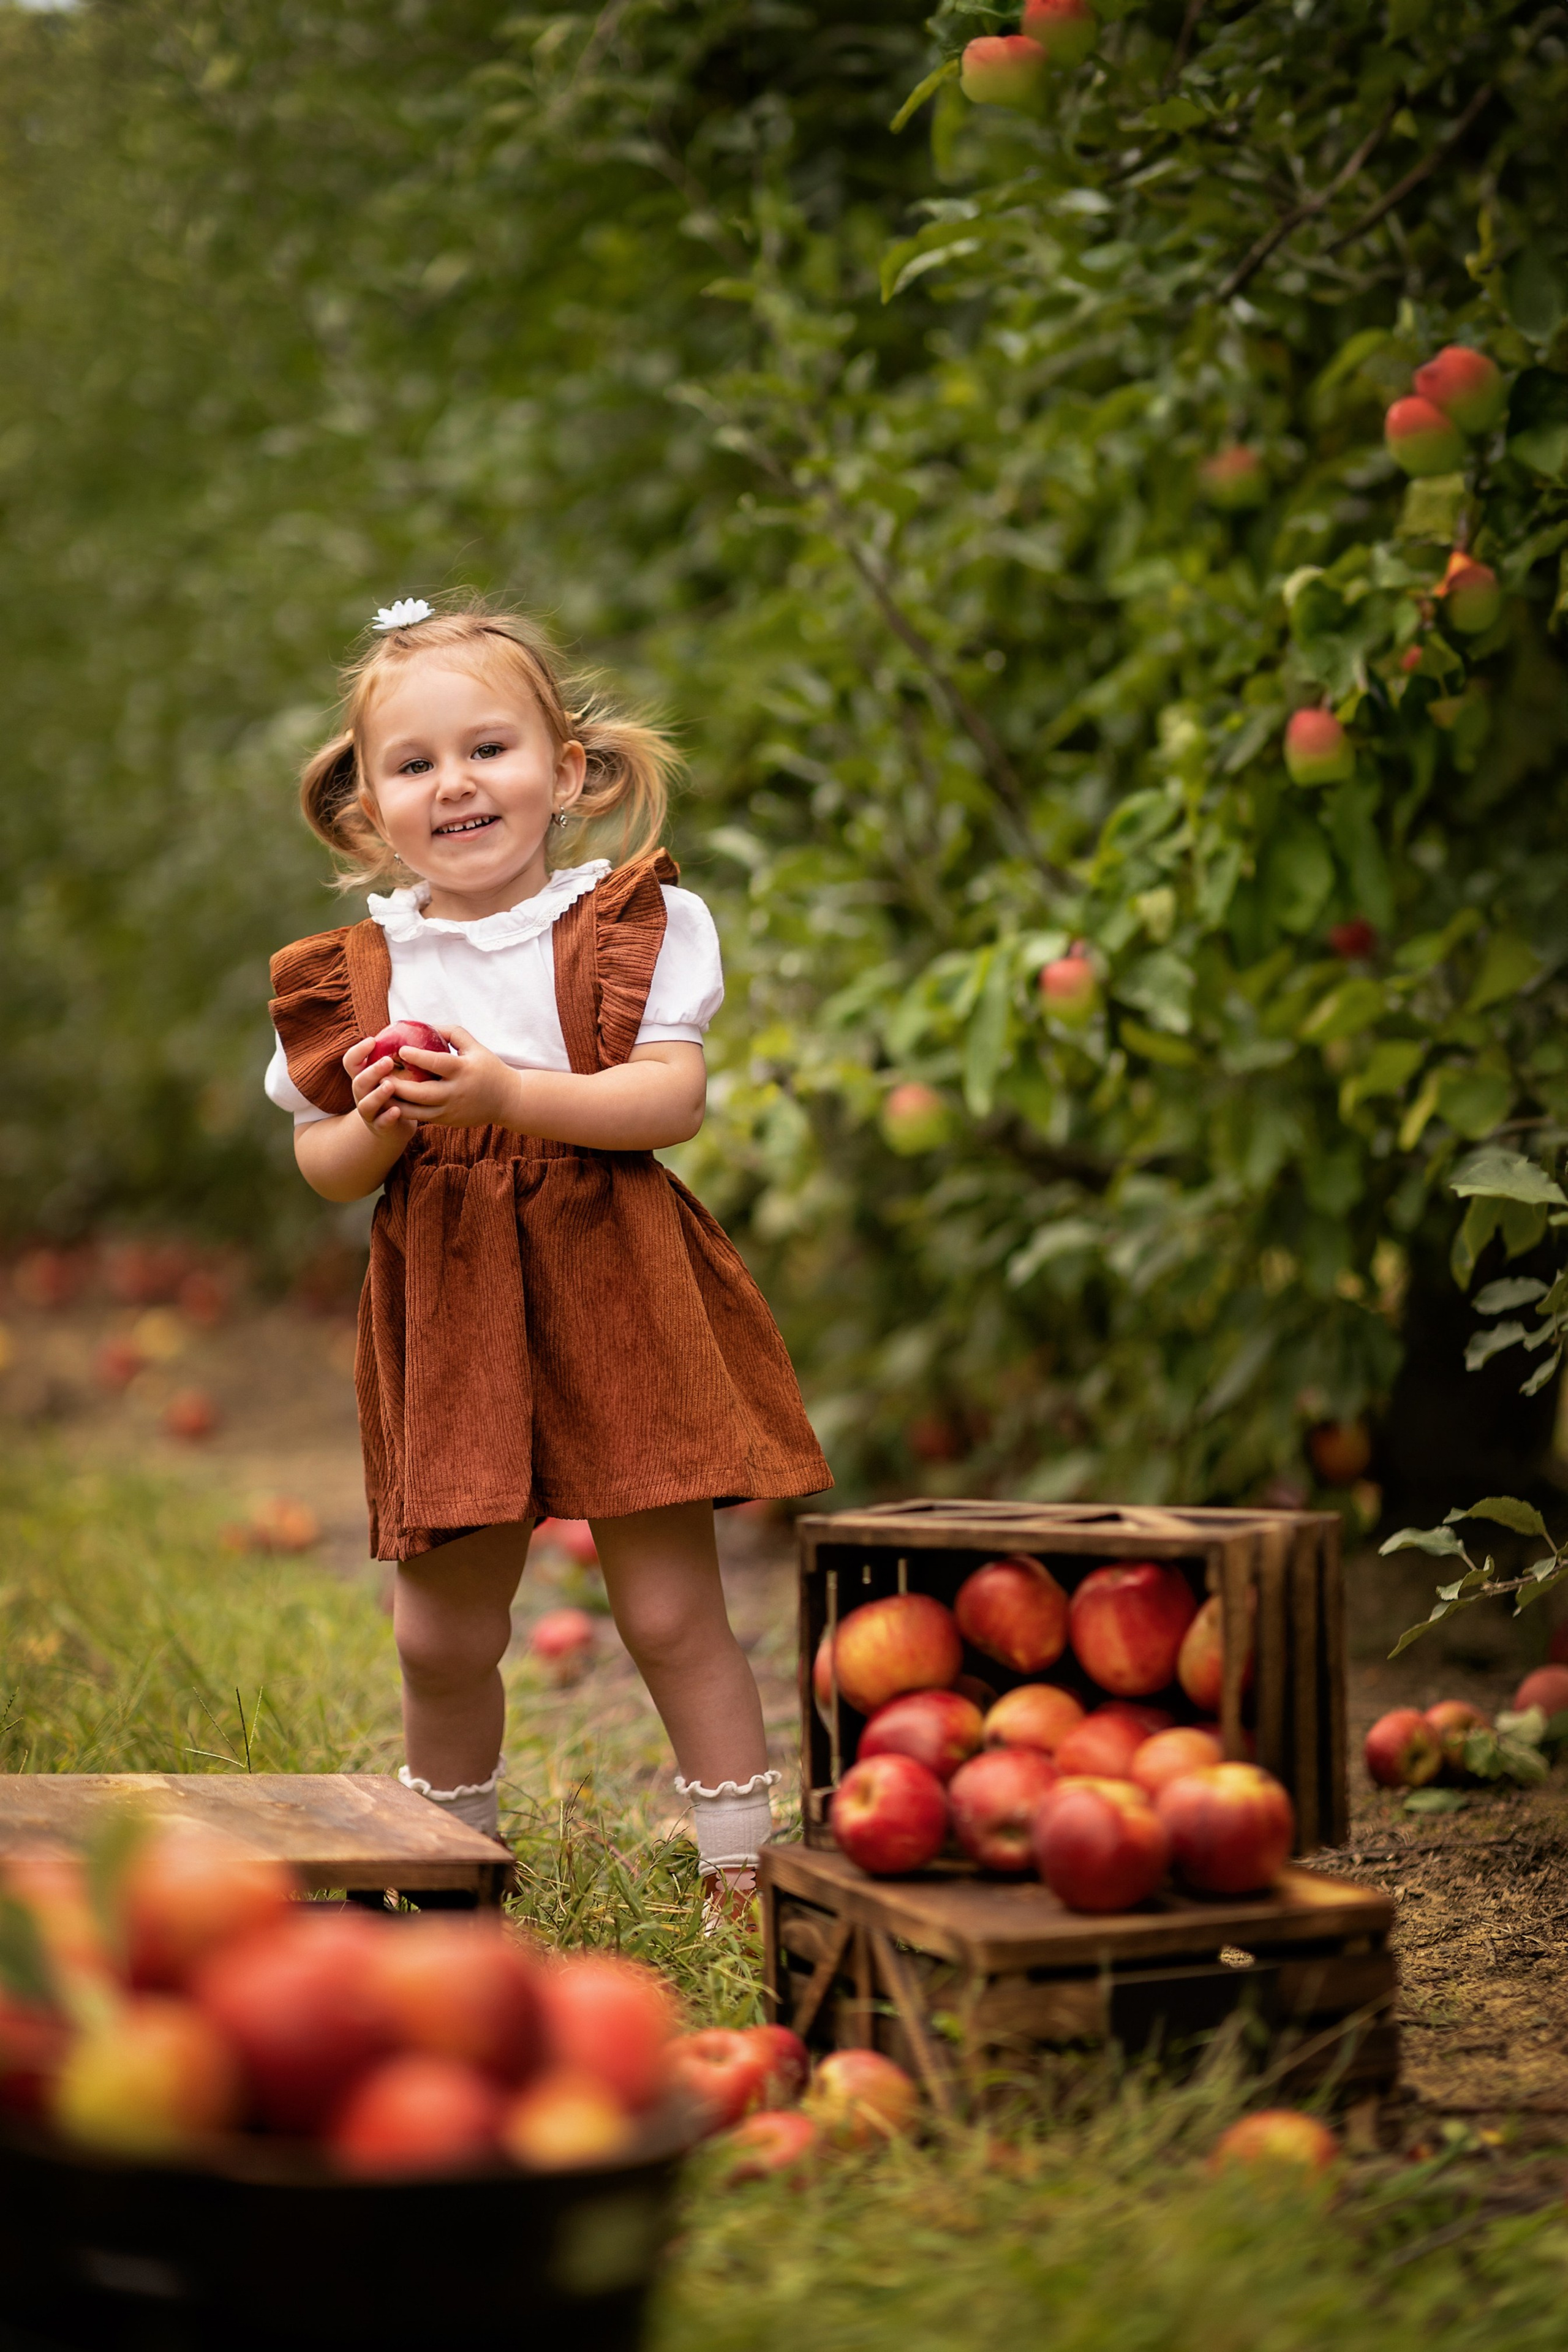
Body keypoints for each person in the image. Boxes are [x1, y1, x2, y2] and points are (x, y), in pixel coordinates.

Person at [265, 594, 830, 1915]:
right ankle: (446, 1867)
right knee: (443, 1625)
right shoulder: (353, 975)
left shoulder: (631, 924)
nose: (454, 785)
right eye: (412, 765)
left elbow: (666, 1102)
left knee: (670, 1606)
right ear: (366, 812)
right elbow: (322, 1164)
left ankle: (739, 1867)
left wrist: (508, 1095)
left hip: (615, 1277)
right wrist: (383, 1121)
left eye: (489, 750)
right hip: (453, 1302)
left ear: (566, 773)